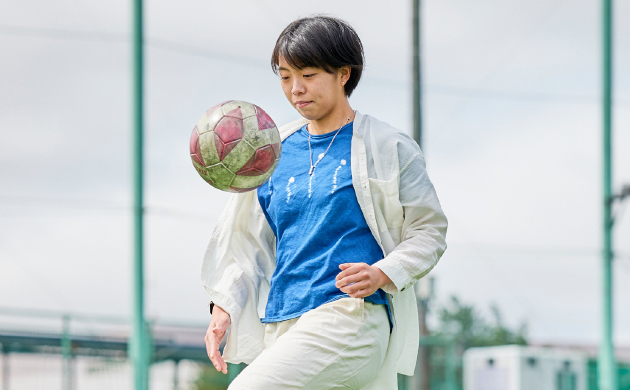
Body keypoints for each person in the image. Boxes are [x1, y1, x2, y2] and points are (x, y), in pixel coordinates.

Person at [201, 15, 447, 390]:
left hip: (349, 317)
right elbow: (246, 246)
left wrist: (384, 272)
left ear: (343, 73)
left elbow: (429, 232)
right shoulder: (270, 150)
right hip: (283, 323)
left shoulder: (387, 146)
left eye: (308, 74)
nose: (296, 88)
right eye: (285, 77)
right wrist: (225, 306)